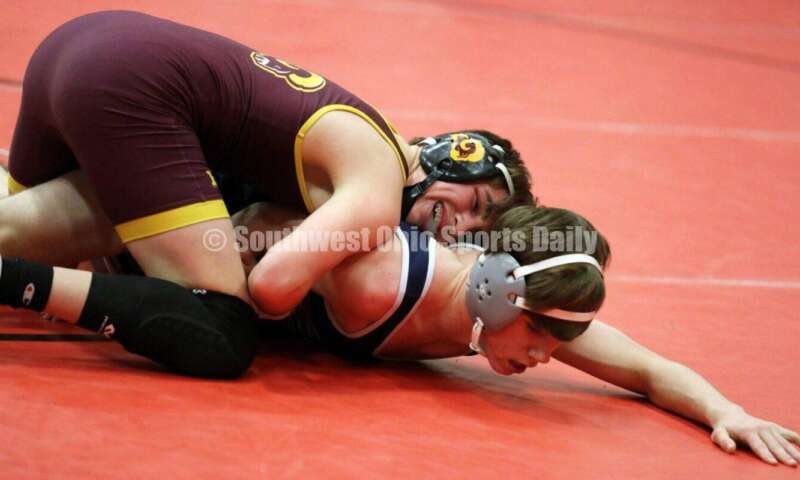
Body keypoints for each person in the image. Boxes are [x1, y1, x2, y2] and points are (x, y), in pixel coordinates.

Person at [0, 11, 532, 376]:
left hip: (82, 47)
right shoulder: (377, 184)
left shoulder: (371, 143)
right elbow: (274, 284)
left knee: (15, 232)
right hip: (133, 93)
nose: (458, 226)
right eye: (476, 204)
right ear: (457, 156)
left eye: (475, 232)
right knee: (219, 324)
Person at [236, 202, 799, 467]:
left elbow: (652, 371)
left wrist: (730, 411)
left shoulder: (533, 311)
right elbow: (251, 221)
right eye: (539, 333)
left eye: (557, 338)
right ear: (493, 289)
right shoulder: (378, 278)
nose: (546, 355)